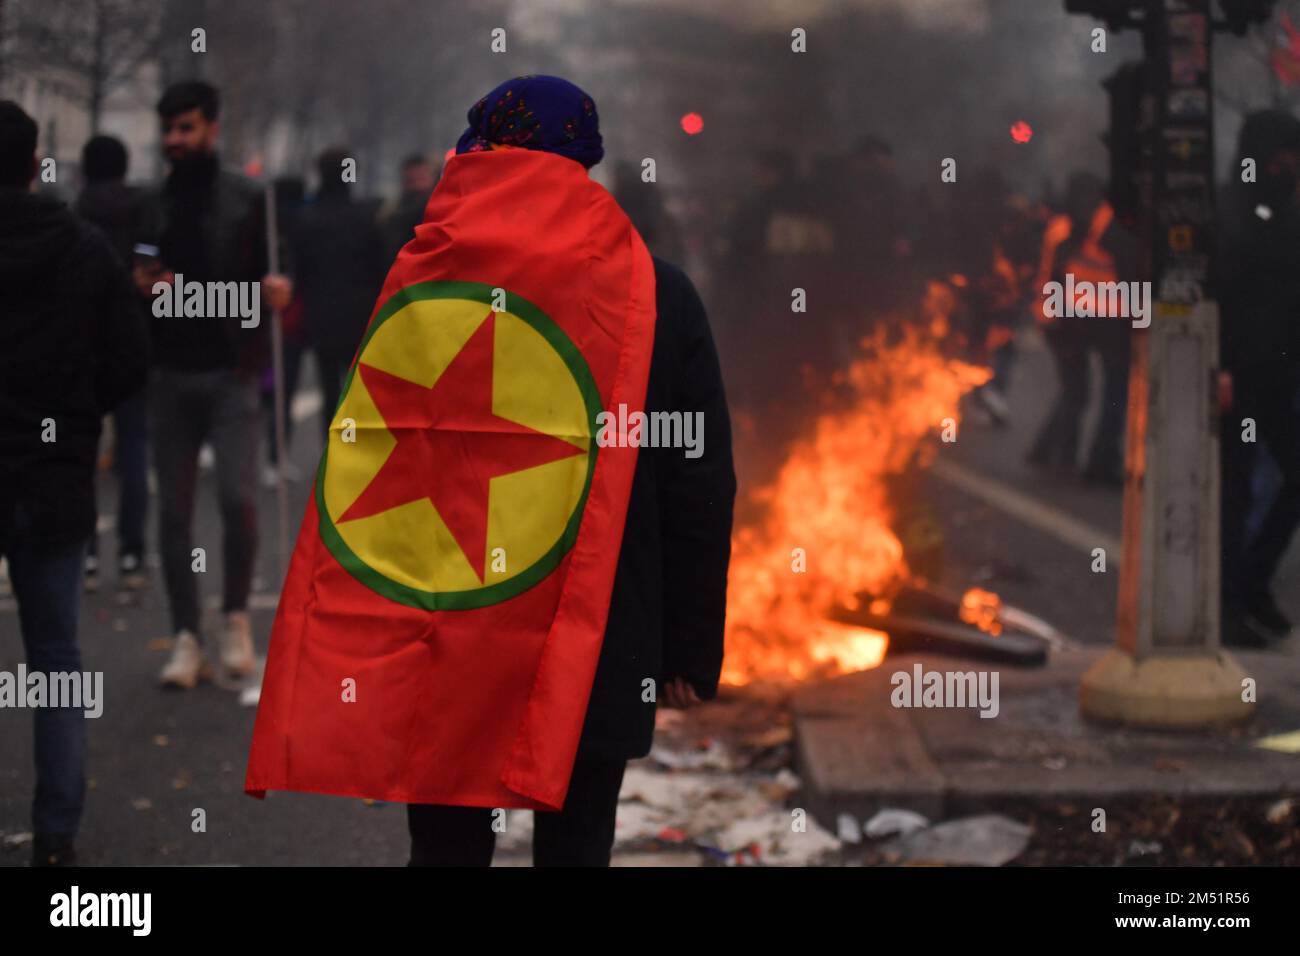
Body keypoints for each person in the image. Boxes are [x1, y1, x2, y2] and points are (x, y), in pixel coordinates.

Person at [403, 77, 735, 866]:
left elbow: (379, 448)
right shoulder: (659, 291)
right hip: (598, 627)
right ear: (584, 163)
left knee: (447, 847)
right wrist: (689, 642)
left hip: (458, 618)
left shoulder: (429, 276)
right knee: (579, 842)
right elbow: (698, 480)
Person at [0, 101, 149, 865]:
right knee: (54, 657)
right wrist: (77, 411)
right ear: (35, 165)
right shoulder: (84, 251)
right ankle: (56, 833)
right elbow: (128, 363)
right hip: (53, 478)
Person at [133, 81, 293, 688]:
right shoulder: (151, 203)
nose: (176, 140)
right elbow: (145, 276)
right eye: (169, 129)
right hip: (169, 372)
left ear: (212, 130)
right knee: (172, 515)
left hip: (232, 372)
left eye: (188, 128)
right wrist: (146, 286)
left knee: (238, 501)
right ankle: (186, 636)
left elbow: (274, 279)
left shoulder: (250, 199)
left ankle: (234, 617)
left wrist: (277, 292)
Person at [1217, 109, 1300, 647]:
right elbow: (1218, 294)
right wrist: (1220, 365)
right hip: (1237, 377)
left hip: (1277, 375)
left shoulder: (1284, 212)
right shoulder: (1229, 212)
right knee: (1235, 491)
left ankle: (1250, 585)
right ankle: (1228, 605)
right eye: (1283, 154)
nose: (1290, 164)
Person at [75, 134, 151, 591]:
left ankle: (84, 553)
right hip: (134, 342)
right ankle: (132, 551)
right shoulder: (142, 213)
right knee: (134, 448)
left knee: (84, 450)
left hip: (85, 345)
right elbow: (150, 267)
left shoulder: (75, 213)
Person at [290, 147, 387, 438]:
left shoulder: (307, 219)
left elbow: (299, 270)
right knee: (358, 387)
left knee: (328, 386)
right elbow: (380, 266)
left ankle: (330, 446)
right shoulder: (366, 217)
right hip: (360, 314)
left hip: (321, 315)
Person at [378, 152, 437, 262]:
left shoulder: (391, 212)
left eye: (421, 178)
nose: (418, 185)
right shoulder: (391, 213)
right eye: (413, 180)